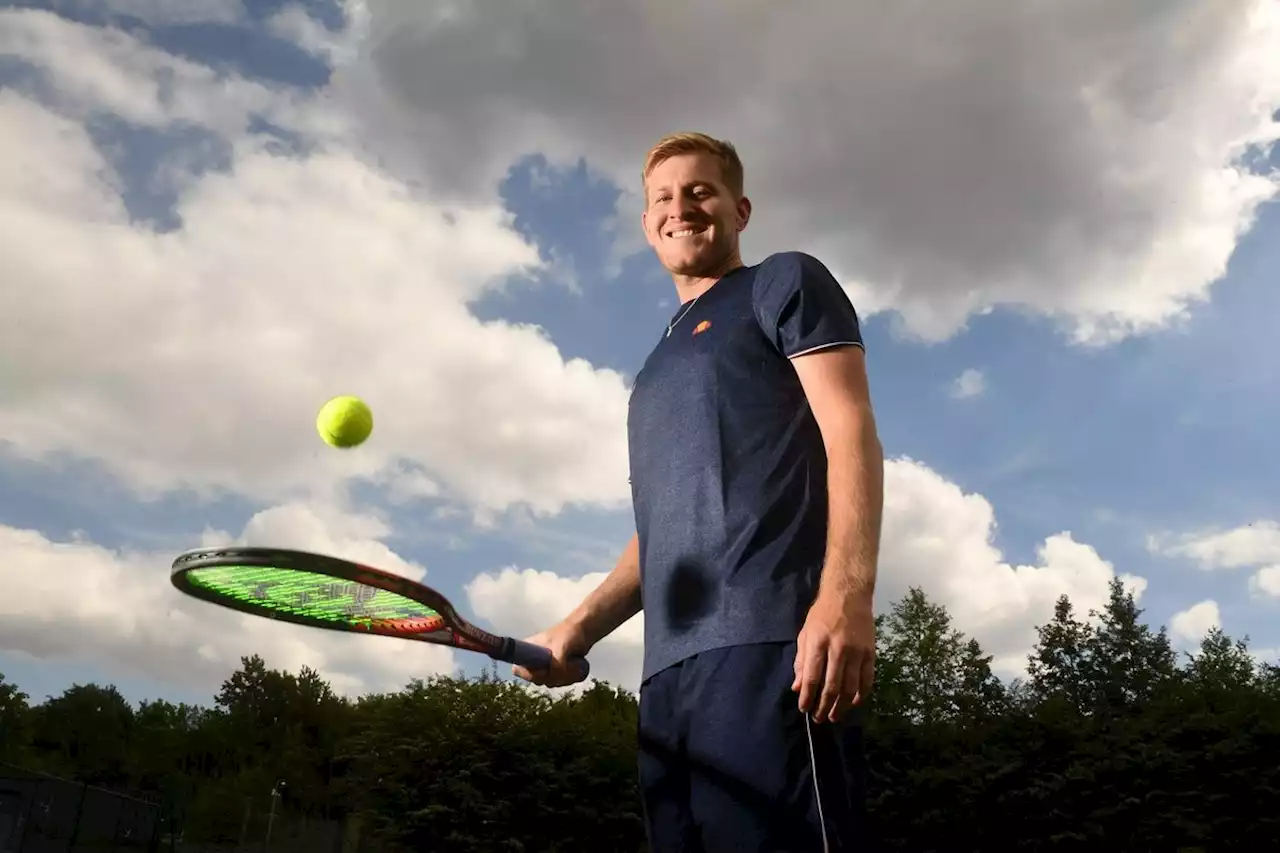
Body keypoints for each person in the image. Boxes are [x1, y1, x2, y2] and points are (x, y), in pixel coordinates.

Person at [513, 132, 884, 852]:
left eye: (700, 190)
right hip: (667, 683)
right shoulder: (654, 369)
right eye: (662, 197)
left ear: (739, 209)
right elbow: (659, 534)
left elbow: (852, 433)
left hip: (772, 648)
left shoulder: (784, 282)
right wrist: (575, 629)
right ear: (648, 222)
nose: (680, 207)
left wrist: (847, 594)